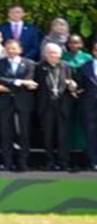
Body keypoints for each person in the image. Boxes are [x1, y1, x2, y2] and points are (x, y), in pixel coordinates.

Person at [0, 39, 37, 171]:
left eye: (14, 48)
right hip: (4, 102)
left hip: (24, 101)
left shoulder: (29, 63)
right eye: (8, 49)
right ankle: (7, 161)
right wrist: (19, 82)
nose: (11, 51)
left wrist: (19, 83)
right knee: (6, 133)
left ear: (20, 50)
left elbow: (29, 80)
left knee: (24, 132)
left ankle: (23, 162)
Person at [35, 43, 76, 171]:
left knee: (63, 135)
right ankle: (50, 161)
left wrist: (72, 85)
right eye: (50, 53)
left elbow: (74, 85)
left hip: (62, 105)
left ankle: (64, 162)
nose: (53, 55)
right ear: (45, 54)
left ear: (60, 54)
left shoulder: (66, 66)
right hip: (46, 105)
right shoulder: (39, 67)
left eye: (56, 53)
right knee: (48, 135)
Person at [77, 42, 97, 170]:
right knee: (90, 133)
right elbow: (80, 86)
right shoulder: (84, 67)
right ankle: (93, 161)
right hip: (89, 106)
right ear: (93, 52)